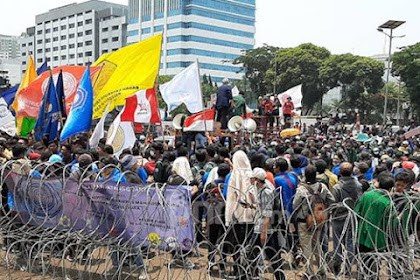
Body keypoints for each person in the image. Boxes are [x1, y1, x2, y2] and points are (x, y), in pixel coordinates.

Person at [354, 172, 399, 280]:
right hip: (377, 238)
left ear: (378, 183)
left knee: (362, 260)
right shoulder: (388, 203)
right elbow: (393, 223)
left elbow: (356, 212)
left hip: (362, 234)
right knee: (373, 262)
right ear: (390, 188)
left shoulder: (367, 195)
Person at [293, 165, 335, 279]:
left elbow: (295, 205)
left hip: (304, 221)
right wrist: (323, 211)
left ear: (305, 175)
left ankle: (310, 272)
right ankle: (322, 270)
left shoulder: (301, 189)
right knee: (317, 246)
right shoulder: (322, 187)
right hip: (319, 220)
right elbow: (332, 200)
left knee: (307, 247)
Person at [248, 168, 285, 280]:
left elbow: (267, 214)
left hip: (264, 228)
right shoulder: (263, 186)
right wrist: (252, 206)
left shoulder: (266, 191)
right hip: (263, 226)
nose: (250, 179)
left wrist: (264, 233)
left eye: (252, 178)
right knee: (261, 253)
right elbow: (263, 207)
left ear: (256, 180)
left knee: (265, 254)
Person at [330, 162, 362, 276]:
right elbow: (359, 201)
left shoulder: (337, 187)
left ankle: (337, 264)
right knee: (350, 242)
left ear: (340, 172)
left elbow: (333, 203)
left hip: (338, 218)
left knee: (337, 242)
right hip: (352, 217)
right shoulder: (358, 185)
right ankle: (348, 267)